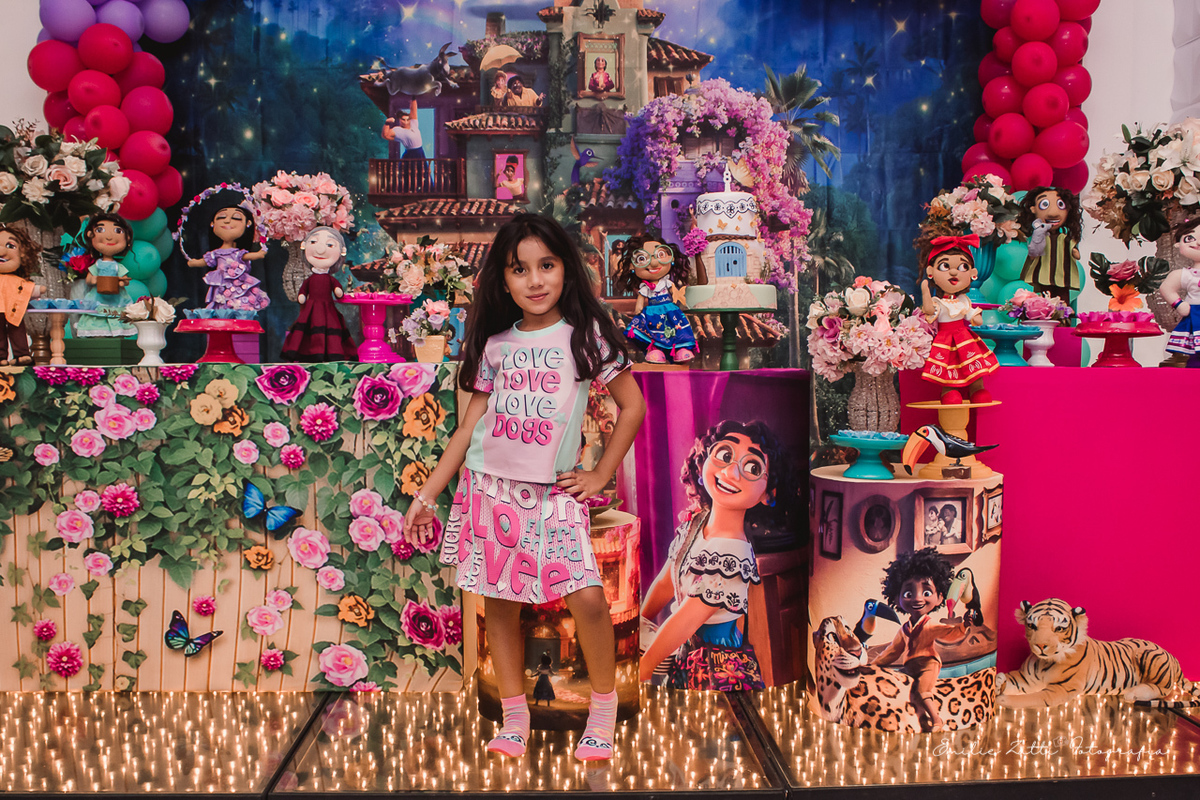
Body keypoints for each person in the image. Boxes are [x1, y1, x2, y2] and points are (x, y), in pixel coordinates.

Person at [404, 213, 646, 762]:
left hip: (552, 492)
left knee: (588, 598)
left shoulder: (585, 338)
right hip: (490, 489)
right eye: (520, 270)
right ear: (504, 280)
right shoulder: (494, 345)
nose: (535, 280)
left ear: (566, 269)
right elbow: (468, 431)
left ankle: (602, 714)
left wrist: (600, 474)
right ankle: (515, 719)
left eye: (547, 265)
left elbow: (632, 406)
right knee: (499, 605)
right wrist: (426, 497)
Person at [639, 420, 790, 690]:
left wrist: (642, 668)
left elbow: (687, 619)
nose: (731, 472)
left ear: (768, 493)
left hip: (714, 666)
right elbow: (665, 581)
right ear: (704, 460)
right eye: (724, 454)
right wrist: (641, 622)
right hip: (684, 653)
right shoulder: (696, 524)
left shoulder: (732, 554)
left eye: (752, 468)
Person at [871, 548, 969, 732]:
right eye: (908, 594)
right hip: (910, 667)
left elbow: (950, 632)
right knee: (894, 679)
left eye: (926, 592)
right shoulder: (904, 630)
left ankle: (937, 720)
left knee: (923, 691)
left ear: (940, 597)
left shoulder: (930, 625)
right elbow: (892, 651)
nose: (917, 598)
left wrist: (964, 626)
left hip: (928, 665)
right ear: (897, 599)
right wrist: (873, 665)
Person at [917, 230, 998, 404]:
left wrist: (976, 318)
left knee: (972, 363)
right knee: (948, 366)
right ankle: (949, 392)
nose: (954, 273)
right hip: (945, 340)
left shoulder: (963, 300)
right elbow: (930, 311)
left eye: (962, 267)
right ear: (931, 272)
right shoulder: (938, 302)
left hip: (965, 338)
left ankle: (977, 389)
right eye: (945, 267)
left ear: (972, 273)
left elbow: (972, 315)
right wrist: (925, 293)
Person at [615, 236, 696, 363]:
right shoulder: (645, 287)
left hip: (670, 311)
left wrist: (679, 298)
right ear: (632, 266)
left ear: (671, 258)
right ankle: (656, 350)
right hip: (652, 313)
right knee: (653, 332)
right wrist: (638, 309)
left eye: (660, 255)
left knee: (676, 329)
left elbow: (675, 293)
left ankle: (680, 349)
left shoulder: (667, 282)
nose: (653, 263)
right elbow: (640, 301)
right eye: (642, 258)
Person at [281, 226, 356, 362]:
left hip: (328, 309)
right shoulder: (310, 279)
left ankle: (331, 354)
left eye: (330, 245)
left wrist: (338, 291)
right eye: (313, 242)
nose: (320, 250)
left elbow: (338, 291)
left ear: (342, 251)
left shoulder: (330, 279)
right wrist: (302, 295)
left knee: (331, 329)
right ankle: (312, 353)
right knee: (310, 329)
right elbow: (304, 289)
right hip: (311, 309)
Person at [184, 204, 270, 312]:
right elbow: (204, 261)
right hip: (221, 284)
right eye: (221, 217)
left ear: (247, 223)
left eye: (236, 218)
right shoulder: (215, 253)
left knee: (238, 301)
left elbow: (246, 256)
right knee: (220, 301)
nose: (227, 221)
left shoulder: (238, 253)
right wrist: (194, 262)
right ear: (212, 223)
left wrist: (258, 254)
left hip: (237, 283)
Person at [75, 213, 137, 338]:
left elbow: (125, 280)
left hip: (116, 298)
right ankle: (98, 336)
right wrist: (94, 280)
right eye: (100, 230)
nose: (109, 237)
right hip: (98, 297)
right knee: (97, 315)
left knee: (117, 317)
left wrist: (121, 282)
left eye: (118, 231)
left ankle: (117, 335)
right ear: (90, 234)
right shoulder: (97, 265)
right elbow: (89, 280)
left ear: (127, 237)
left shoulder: (117, 266)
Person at [1018, 186, 1082, 304]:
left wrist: (1074, 251)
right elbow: (1033, 253)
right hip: (1043, 273)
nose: (1053, 213)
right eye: (1044, 204)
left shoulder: (1064, 239)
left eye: (1061, 205)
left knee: (1062, 299)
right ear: (1033, 209)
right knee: (1044, 298)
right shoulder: (1039, 236)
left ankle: (1062, 311)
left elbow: (1073, 250)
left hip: (1062, 275)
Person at [1159, 217, 1200, 367]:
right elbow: (1166, 288)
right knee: (1195, 352)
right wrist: (1178, 304)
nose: (1198, 243)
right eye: (1190, 238)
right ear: (1178, 244)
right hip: (1195, 314)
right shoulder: (1184, 274)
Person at [0, 225, 43, 365]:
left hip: (14, 310)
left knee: (17, 330)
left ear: (23, 253)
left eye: (10, 246)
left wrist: (38, 290)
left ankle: (22, 354)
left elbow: (27, 288)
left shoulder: (17, 280)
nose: (1, 251)